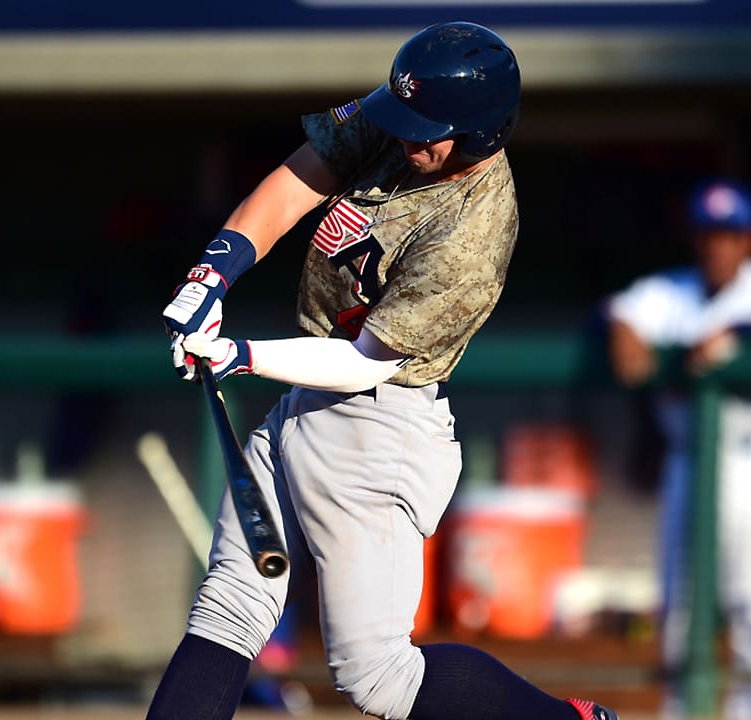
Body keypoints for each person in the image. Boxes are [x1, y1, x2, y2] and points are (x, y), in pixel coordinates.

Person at [149, 21, 617, 720]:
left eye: (427, 129)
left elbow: (365, 363)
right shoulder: (412, 116)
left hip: (381, 422)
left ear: (485, 132)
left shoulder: (473, 237)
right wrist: (210, 274)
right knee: (230, 608)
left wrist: (240, 355)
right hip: (307, 395)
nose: (408, 138)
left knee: (377, 677)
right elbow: (299, 178)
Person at [605, 180, 751, 720]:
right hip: (688, 457)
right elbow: (615, 312)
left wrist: (734, 338)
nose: (718, 247)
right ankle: (683, 710)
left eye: (730, 235)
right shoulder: (669, 291)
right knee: (680, 603)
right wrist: (621, 328)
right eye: (709, 235)